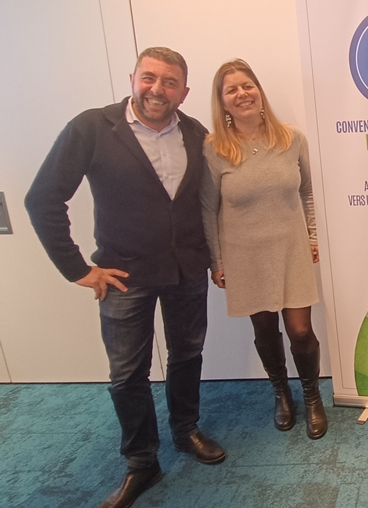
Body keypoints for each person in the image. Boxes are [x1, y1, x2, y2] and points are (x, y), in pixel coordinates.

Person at [24, 47, 226, 508]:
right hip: (122, 276)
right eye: (150, 78)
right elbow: (42, 199)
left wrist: (215, 258)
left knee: (188, 353)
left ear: (184, 91)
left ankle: (185, 431)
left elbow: (205, 204)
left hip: (186, 270)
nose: (158, 89)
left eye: (170, 82)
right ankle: (142, 462)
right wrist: (77, 269)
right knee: (127, 374)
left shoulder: (197, 134)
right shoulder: (92, 128)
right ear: (133, 78)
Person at [201, 59, 326, 440]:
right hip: (243, 254)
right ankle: (281, 393)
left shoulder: (292, 139)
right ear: (222, 102)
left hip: (290, 248)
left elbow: (305, 191)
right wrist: (217, 261)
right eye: (231, 89)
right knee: (265, 330)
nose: (241, 94)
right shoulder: (213, 149)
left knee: (300, 331)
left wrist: (313, 236)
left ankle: (312, 396)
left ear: (259, 90)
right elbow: (208, 209)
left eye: (247, 85)